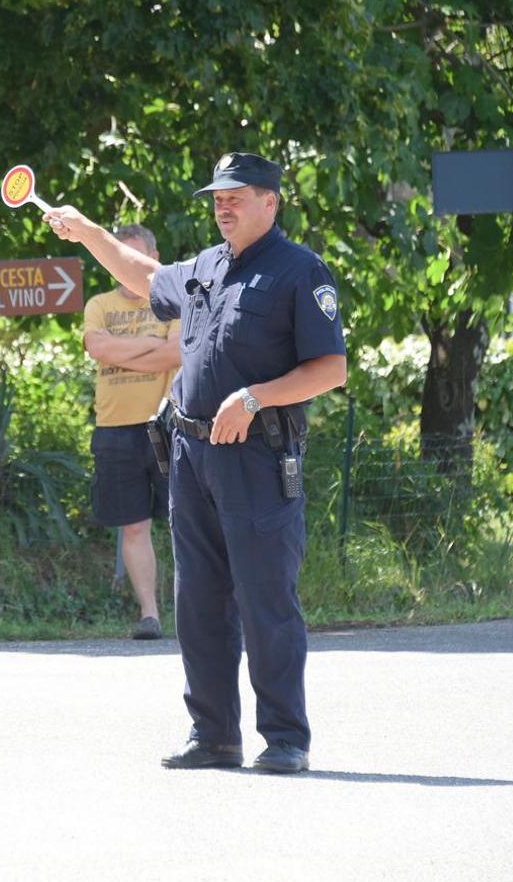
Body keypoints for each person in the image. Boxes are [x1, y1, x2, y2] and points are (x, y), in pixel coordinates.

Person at [46, 152, 347, 774]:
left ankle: (285, 738)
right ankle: (214, 736)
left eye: (236, 197)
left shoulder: (300, 270)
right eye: (217, 198)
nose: (223, 207)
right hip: (190, 454)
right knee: (199, 601)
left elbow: (330, 369)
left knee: (266, 600)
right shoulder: (206, 265)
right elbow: (142, 275)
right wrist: (89, 232)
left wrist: (256, 397)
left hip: (257, 457)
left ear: (270, 201)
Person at [82, 223, 181, 641]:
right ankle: (149, 615)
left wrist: (120, 351)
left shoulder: (172, 304)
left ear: (153, 259)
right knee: (134, 526)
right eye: (118, 257)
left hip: (167, 426)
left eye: (134, 258)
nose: (125, 266)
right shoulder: (99, 305)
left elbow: (174, 355)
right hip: (115, 431)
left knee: (187, 522)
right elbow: (97, 348)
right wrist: (149, 347)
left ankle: (202, 610)